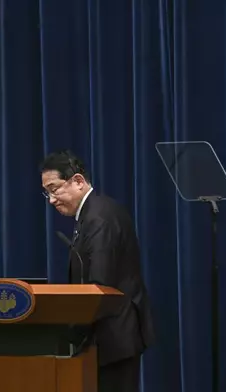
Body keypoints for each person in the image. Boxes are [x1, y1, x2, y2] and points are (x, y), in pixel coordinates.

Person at [39, 150, 156, 392]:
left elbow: (99, 286)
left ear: (78, 181)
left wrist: (71, 336)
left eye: (54, 189)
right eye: (47, 193)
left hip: (114, 336)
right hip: (110, 336)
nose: (51, 200)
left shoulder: (99, 217)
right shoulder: (93, 213)